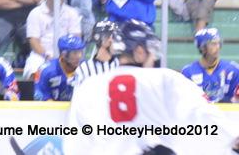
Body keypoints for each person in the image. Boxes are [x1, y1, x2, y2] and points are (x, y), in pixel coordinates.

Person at [66, 20, 239, 154]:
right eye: (151, 50)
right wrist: (233, 136)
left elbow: (76, 142)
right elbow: (202, 111)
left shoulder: (90, 86)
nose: (153, 56)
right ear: (139, 51)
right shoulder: (164, 79)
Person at [24, 0, 82, 79]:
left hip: (67, 55)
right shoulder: (35, 13)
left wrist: (65, 56)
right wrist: (47, 57)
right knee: (33, 70)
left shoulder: (72, 13)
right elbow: (34, 41)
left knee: (81, 72)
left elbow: (76, 38)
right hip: (41, 55)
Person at [181, 28, 239, 103]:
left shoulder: (232, 70)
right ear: (202, 47)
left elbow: (237, 100)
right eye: (213, 44)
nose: (217, 47)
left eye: (219, 43)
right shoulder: (188, 72)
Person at [33, 34, 85, 101]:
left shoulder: (85, 68)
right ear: (63, 55)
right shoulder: (46, 71)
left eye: (80, 52)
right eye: (75, 53)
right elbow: (39, 96)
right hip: (52, 107)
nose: (79, 56)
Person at [74, 19, 120, 85]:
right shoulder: (84, 69)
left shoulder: (120, 65)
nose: (116, 42)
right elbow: (78, 91)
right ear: (104, 41)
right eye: (114, 37)